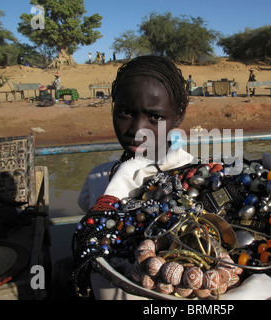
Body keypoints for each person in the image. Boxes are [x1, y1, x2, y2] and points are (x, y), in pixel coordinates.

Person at [74, 55, 193, 299]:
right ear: (113, 107)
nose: (138, 130)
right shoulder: (97, 178)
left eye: (155, 117)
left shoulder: (194, 181)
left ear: (178, 116)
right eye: (126, 112)